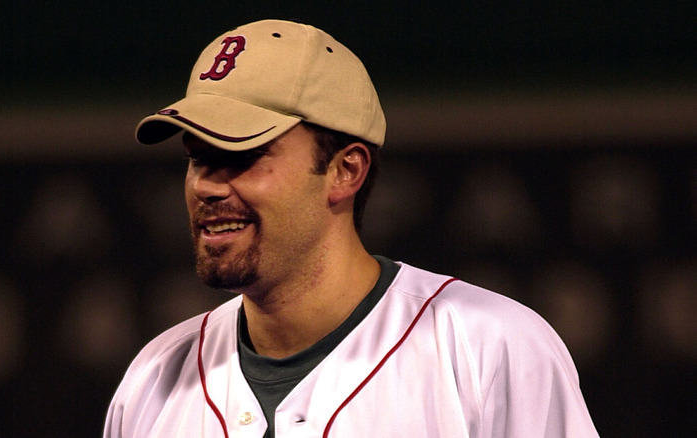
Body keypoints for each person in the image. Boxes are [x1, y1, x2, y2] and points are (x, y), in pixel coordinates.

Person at [104, 19, 600, 438]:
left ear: (346, 171)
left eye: (242, 156)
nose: (207, 187)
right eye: (197, 159)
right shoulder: (154, 381)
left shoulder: (486, 348)